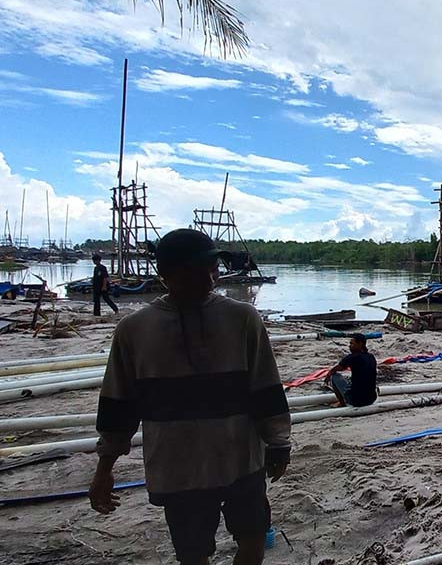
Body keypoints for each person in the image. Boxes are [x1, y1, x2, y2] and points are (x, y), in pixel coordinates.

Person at [89, 229, 291, 565]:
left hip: (241, 459)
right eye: (196, 271)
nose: (209, 279)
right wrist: (104, 468)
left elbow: (265, 386)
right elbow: (118, 406)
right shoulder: (135, 330)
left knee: (253, 538)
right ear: (166, 275)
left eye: (213, 269)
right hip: (178, 468)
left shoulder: (242, 318)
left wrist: (279, 442)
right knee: (193, 553)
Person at [324, 335, 378, 407]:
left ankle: (342, 403)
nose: (349, 346)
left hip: (356, 401)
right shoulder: (371, 357)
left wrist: (328, 375)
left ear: (360, 344)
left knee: (334, 376)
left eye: (352, 344)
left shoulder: (353, 357)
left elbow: (335, 369)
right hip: (372, 398)